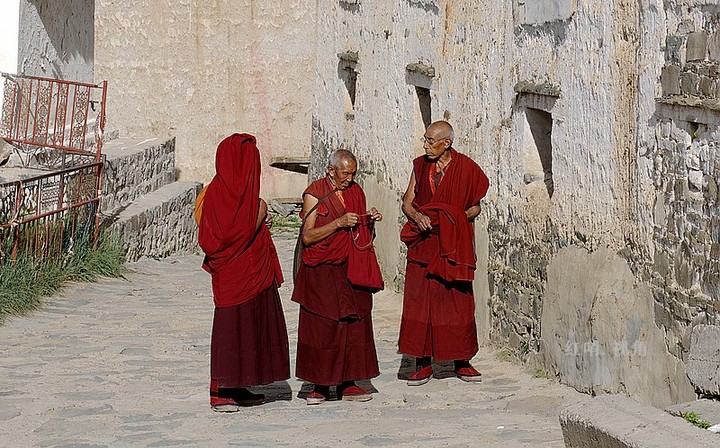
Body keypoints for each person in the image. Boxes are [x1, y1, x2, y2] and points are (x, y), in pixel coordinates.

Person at [198, 133, 290, 412]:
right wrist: (260, 210)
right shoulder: (217, 194)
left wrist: (258, 214)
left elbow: (247, 223)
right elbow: (230, 233)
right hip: (232, 274)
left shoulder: (243, 194)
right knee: (231, 328)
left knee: (250, 326)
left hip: (254, 270)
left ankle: (240, 384)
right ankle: (221, 389)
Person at [399, 120, 490, 386]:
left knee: (456, 301)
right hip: (424, 243)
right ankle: (422, 362)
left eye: (430, 141)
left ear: (446, 143)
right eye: (425, 139)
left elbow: (476, 208)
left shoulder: (467, 168)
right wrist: (417, 216)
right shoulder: (420, 165)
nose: (425, 145)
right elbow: (407, 202)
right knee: (420, 301)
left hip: (453, 244)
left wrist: (454, 219)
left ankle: (462, 361)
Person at [292, 149, 383, 405]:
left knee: (354, 325)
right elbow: (308, 237)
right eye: (345, 173)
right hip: (322, 270)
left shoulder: (356, 191)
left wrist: (369, 221)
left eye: (354, 173)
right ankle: (319, 385)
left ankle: (349, 382)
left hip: (351, 267)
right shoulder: (315, 194)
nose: (350, 179)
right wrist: (338, 223)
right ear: (331, 170)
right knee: (322, 327)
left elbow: (362, 235)